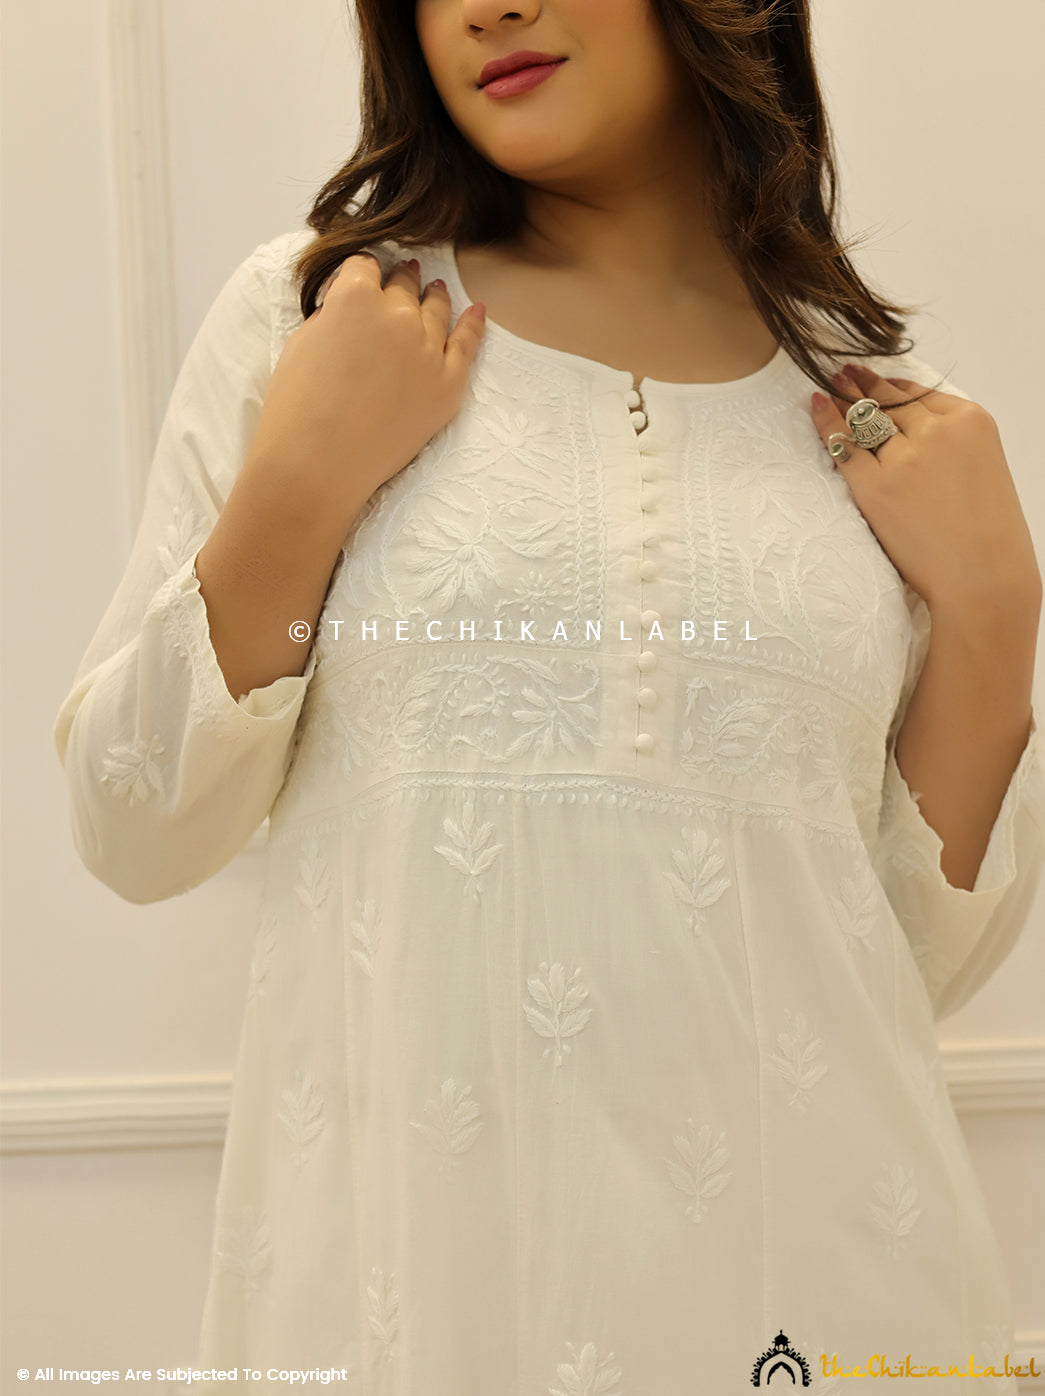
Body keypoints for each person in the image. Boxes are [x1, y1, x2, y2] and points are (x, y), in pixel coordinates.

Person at [53, 0, 1044, 1391]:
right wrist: (303, 485)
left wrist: (994, 617)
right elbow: (134, 822)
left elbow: (894, 972)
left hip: (813, 1305)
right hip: (414, 1309)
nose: (486, 7)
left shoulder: (874, 405)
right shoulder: (327, 315)